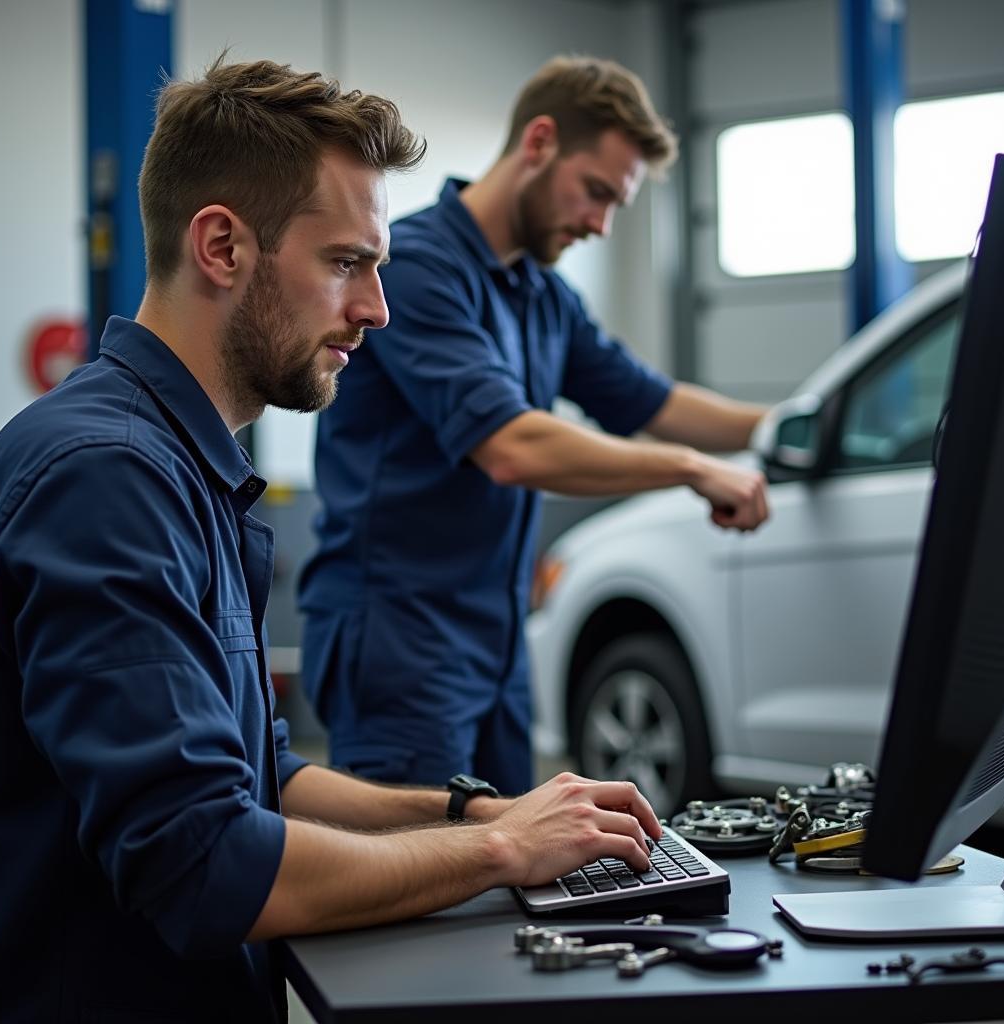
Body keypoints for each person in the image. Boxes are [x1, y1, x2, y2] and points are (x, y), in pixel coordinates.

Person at [0, 57, 664, 1024]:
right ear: (221, 246)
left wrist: (477, 811)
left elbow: (269, 775)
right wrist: (502, 854)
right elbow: (208, 863)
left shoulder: (182, 467)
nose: (376, 309)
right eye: (347, 262)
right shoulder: (107, 479)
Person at [299, 55, 770, 796]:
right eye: (595, 193)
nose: (600, 223)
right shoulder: (418, 270)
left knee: (511, 872)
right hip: (402, 642)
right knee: (417, 879)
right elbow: (514, 447)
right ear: (540, 141)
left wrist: (804, 420)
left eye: (616, 205)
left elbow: (651, 400)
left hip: (496, 643)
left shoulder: (543, 296)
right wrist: (690, 469)